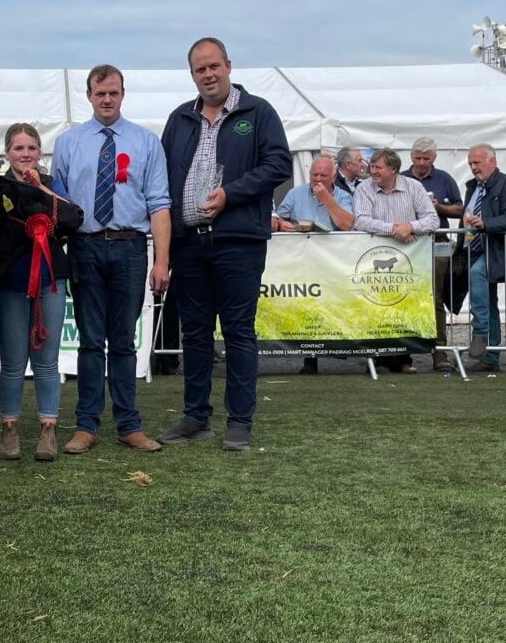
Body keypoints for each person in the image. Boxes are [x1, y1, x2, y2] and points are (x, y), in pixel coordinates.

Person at [156, 37, 292, 451]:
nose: (208, 74)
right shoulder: (179, 118)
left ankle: (239, 422)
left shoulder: (258, 112)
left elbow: (279, 164)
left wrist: (231, 193)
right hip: (189, 242)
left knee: (237, 332)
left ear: (229, 66)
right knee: (194, 333)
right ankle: (196, 417)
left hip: (238, 241)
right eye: (200, 69)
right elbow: (161, 175)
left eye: (214, 66)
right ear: (192, 74)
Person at [52, 64, 171, 454]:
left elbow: (159, 203)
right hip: (85, 248)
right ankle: (85, 426)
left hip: (131, 246)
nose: (107, 100)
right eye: (100, 93)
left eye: (114, 93)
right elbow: (59, 205)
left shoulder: (145, 142)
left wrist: (161, 260)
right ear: (89, 96)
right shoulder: (68, 143)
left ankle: (128, 425)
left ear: (123, 94)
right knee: (89, 342)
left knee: (122, 341)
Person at [0, 124, 73, 462]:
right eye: (19, 148)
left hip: (50, 279)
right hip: (8, 280)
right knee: (12, 361)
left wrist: (41, 188)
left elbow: (71, 215)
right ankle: (9, 431)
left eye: (32, 148)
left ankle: (47, 431)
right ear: (7, 152)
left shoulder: (51, 184)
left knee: (46, 361)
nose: (26, 154)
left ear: (40, 153)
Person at [352, 148, 440, 374]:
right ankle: (380, 357)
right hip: (374, 257)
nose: (373, 171)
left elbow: (432, 219)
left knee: (406, 305)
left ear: (393, 169)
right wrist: (394, 229)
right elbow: (361, 221)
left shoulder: (414, 187)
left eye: (378, 167)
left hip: (411, 259)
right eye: (371, 167)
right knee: (377, 303)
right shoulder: (364, 189)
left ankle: (404, 358)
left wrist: (410, 226)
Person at [272, 156, 354, 375]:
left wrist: (326, 199)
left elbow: (346, 225)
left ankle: (341, 348)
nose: (317, 179)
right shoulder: (295, 193)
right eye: (314, 175)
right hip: (304, 261)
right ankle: (311, 357)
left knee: (335, 306)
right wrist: (283, 224)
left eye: (323, 175)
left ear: (333, 177)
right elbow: (278, 218)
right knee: (308, 307)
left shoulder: (343, 196)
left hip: (334, 262)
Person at [459, 144, 506, 372]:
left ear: (492, 162)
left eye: (477, 163)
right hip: (474, 248)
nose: (473, 168)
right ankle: (490, 358)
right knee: (489, 300)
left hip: (498, 250)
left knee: (479, 274)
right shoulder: (473, 187)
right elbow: (468, 215)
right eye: (470, 164)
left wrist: (486, 224)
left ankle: (480, 332)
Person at [400, 136, 464, 371]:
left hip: (437, 243)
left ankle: (439, 353)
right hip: (406, 245)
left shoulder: (444, 179)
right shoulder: (401, 178)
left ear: (434, 158)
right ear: (411, 157)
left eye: (427, 158)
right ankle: (404, 355)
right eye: (418, 158)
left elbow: (460, 209)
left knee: (436, 299)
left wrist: (437, 208)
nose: (422, 162)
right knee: (405, 298)